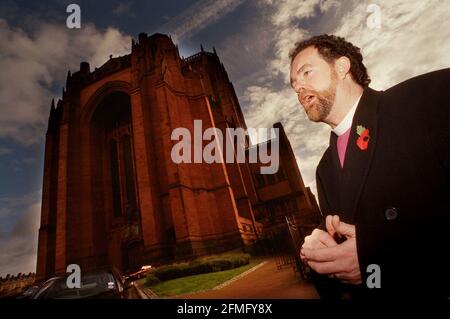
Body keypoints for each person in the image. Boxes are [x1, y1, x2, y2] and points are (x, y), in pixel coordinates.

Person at [289, 34, 450, 299]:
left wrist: (377, 256)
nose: (299, 88)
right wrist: (321, 256)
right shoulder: (325, 168)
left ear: (341, 67)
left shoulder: (429, 98)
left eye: (306, 72)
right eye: (294, 84)